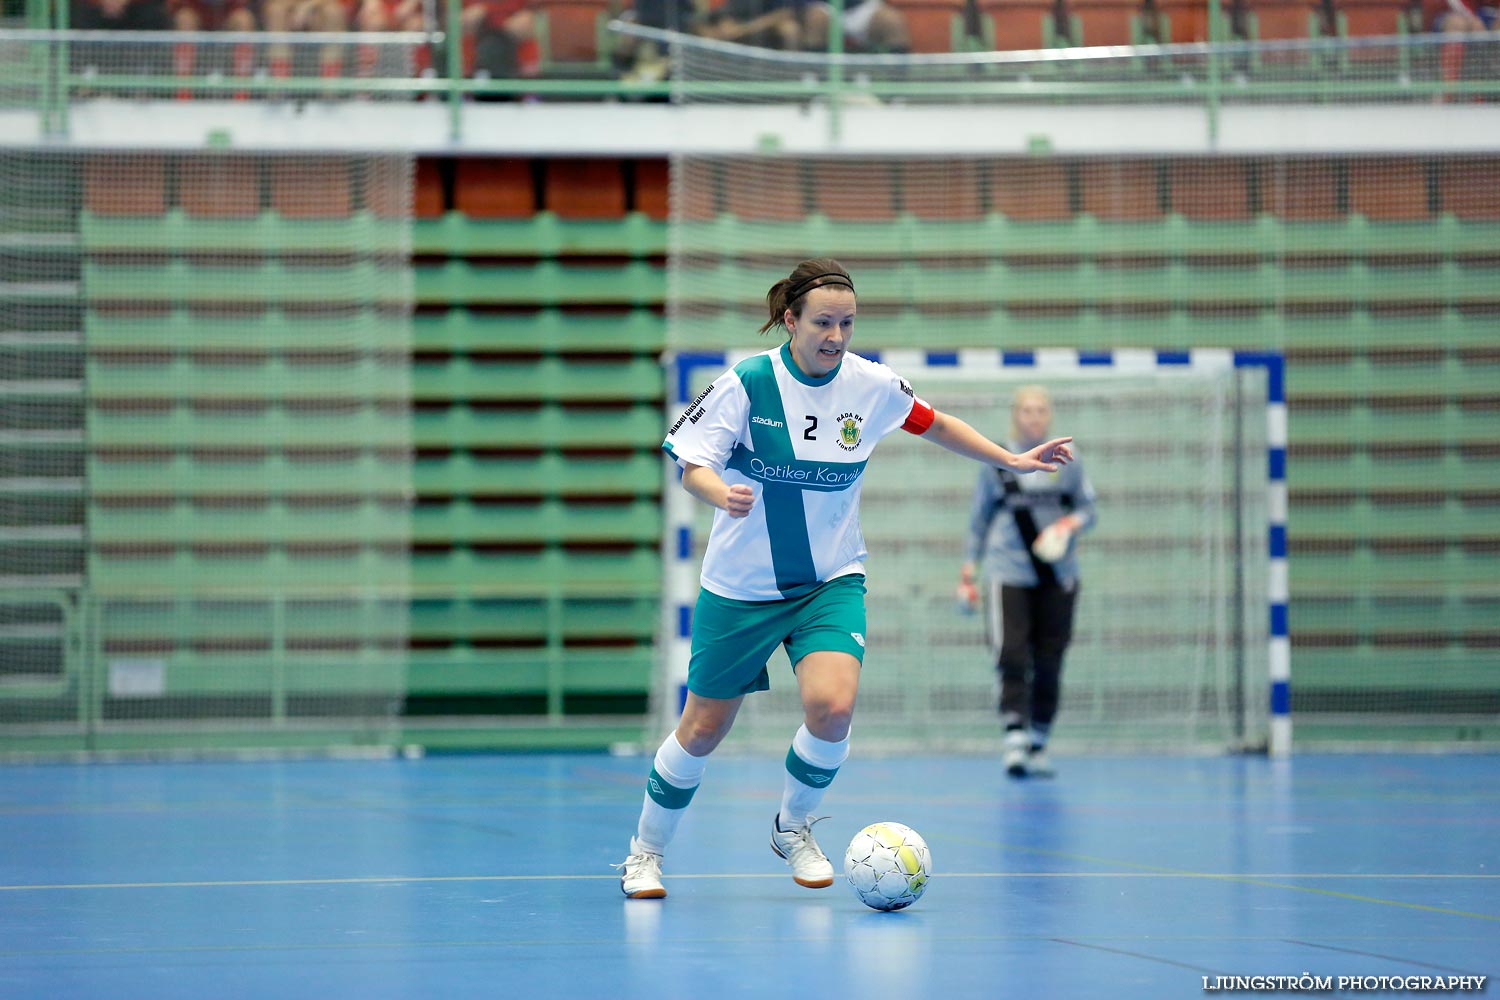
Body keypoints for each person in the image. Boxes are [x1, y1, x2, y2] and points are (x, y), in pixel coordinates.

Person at [615, 258, 1075, 899]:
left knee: (832, 709)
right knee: (701, 730)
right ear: (789, 321)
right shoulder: (746, 384)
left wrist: (1010, 459)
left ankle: (794, 827)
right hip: (742, 588)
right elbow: (690, 461)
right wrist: (720, 493)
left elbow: (936, 423)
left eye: (847, 323)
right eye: (823, 322)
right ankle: (645, 853)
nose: (835, 336)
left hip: (830, 580)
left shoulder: (872, 386)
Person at [957, 385, 1095, 780]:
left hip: (1059, 575)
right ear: (1015, 415)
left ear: (1049, 416)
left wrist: (1069, 524)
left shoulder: (1070, 460)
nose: (1034, 417)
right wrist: (968, 571)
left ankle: (1039, 739)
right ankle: (1014, 735)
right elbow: (978, 520)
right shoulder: (998, 461)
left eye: (1041, 410)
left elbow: (1089, 508)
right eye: (1027, 410)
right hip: (1008, 573)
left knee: (1050, 659)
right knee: (1011, 653)